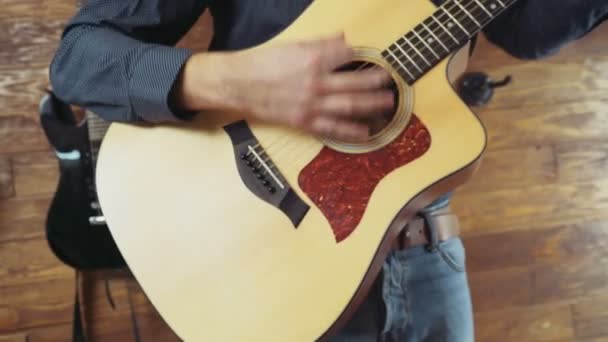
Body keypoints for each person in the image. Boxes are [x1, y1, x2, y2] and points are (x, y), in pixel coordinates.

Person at [49, 1, 607, 341]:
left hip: (428, 254)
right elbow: (79, 61)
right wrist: (240, 81)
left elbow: (528, 31)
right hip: (275, 274)